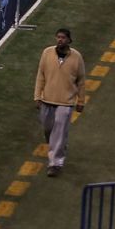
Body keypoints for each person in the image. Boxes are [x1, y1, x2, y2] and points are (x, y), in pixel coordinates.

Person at [34, 27, 85, 177]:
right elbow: (40, 75)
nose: (60, 40)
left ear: (69, 40)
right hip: (47, 99)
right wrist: (37, 96)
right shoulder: (47, 53)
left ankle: (55, 164)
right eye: (58, 37)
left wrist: (81, 101)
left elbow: (81, 81)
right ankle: (60, 146)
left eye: (63, 37)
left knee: (59, 132)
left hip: (66, 102)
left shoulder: (76, 57)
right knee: (48, 130)